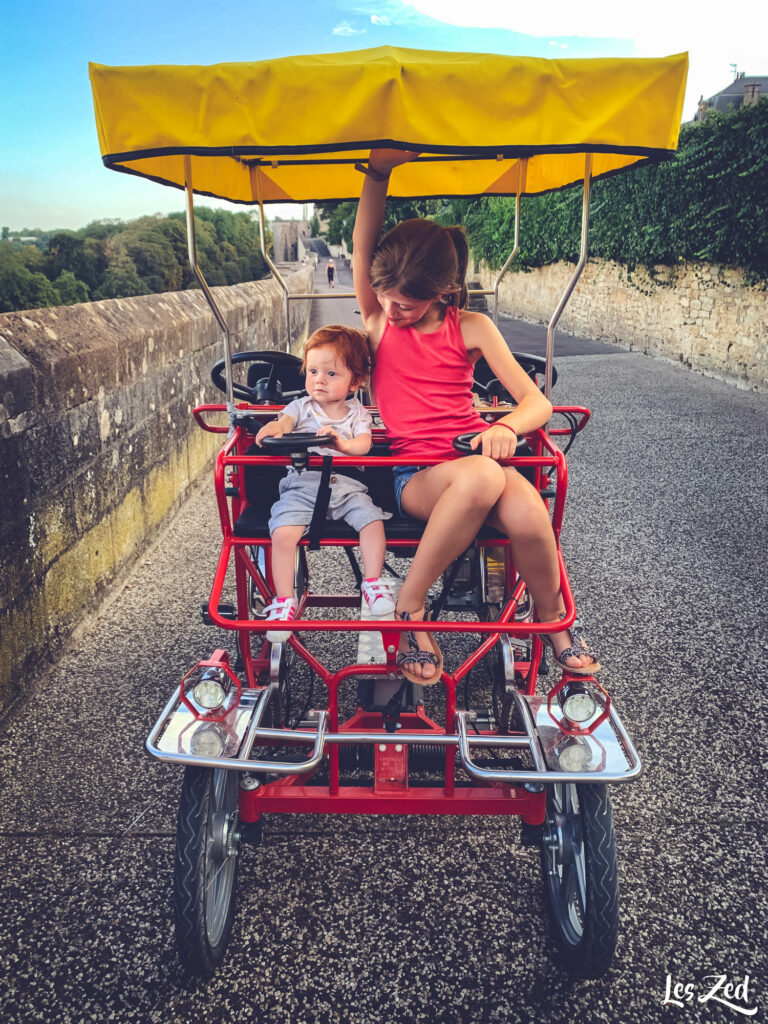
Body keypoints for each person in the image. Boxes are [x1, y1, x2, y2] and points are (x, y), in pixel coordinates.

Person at [351, 150, 600, 684]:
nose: (392, 311)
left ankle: (552, 621)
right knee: (489, 475)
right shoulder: (377, 319)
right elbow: (363, 246)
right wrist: (378, 174)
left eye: (407, 304)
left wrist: (505, 426)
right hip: (414, 474)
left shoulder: (472, 328)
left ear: (442, 291)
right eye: (385, 298)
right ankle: (410, 607)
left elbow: (538, 403)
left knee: (533, 514)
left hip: (470, 458)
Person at [255, 325, 395, 641]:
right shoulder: (300, 407)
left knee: (372, 523)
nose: (319, 379)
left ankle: (372, 582)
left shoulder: (357, 412)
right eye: (313, 371)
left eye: (331, 374)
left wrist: (342, 445)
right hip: (303, 484)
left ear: (354, 382)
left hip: (347, 486)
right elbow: (284, 421)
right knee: (281, 533)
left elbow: (364, 445)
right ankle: (284, 599)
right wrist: (276, 428)